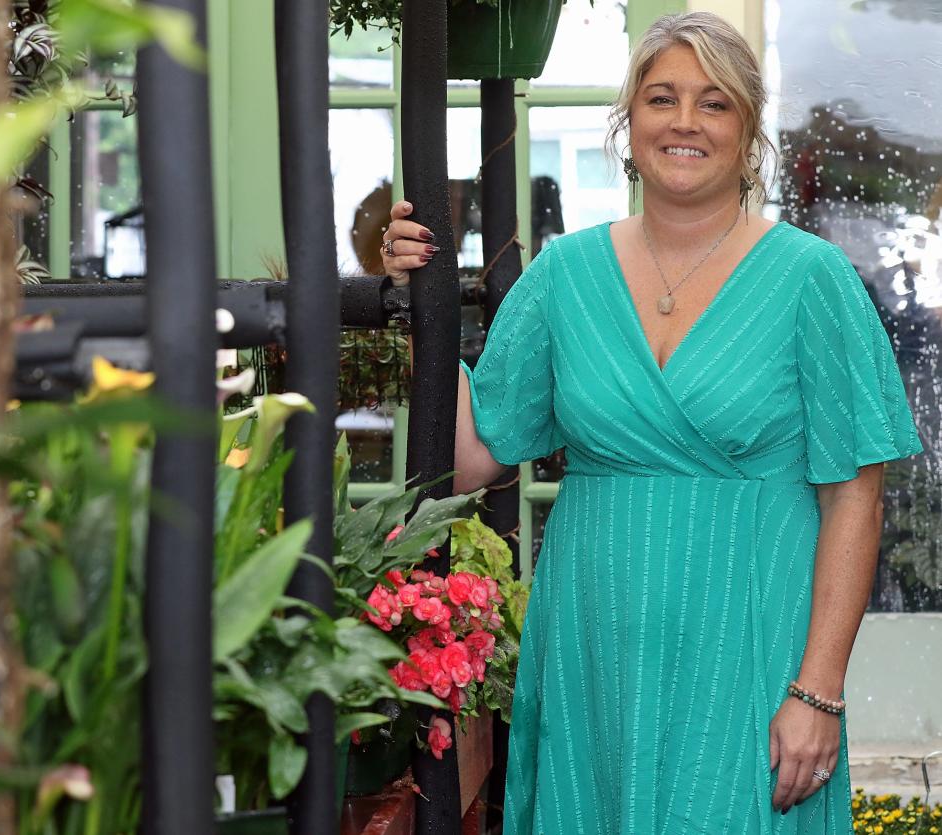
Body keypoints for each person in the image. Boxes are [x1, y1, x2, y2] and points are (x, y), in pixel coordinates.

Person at [379, 11, 922, 833]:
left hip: (751, 646)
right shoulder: (564, 274)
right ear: (629, 124)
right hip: (593, 655)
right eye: (661, 98)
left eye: (714, 103)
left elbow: (856, 497)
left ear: (747, 132)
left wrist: (817, 689)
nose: (684, 122)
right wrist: (409, 301)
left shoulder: (812, 279)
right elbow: (470, 459)